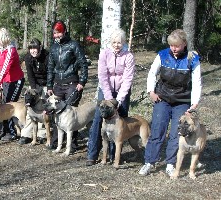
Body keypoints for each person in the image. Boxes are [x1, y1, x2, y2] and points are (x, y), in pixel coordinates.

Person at [138, 29, 202, 176]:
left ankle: (170, 163)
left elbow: (197, 82)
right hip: (163, 97)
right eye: (171, 45)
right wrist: (151, 92)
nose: (173, 48)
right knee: (157, 129)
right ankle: (149, 162)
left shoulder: (192, 59)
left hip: (182, 100)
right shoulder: (162, 55)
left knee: (176, 133)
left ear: (184, 44)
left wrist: (194, 103)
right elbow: (152, 74)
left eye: (177, 46)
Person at [86, 28, 135, 166]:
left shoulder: (129, 56)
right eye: (114, 42)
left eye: (119, 42)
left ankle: (115, 156)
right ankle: (92, 153)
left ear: (123, 42)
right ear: (110, 42)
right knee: (98, 119)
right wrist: (108, 98)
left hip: (122, 90)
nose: (116, 45)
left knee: (120, 119)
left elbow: (128, 79)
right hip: (105, 89)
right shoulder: (104, 53)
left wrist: (119, 100)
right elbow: (102, 76)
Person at [46, 20, 88, 152]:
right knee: (56, 112)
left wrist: (82, 81)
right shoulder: (53, 48)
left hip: (72, 83)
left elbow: (83, 63)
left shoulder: (73, 45)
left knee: (71, 113)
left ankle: (73, 144)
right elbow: (50, 67)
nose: (57, 35)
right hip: (57, 84)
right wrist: (49, 85)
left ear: (64, 32)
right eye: (54, 33)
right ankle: (56, 142)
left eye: (59, 32)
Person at [0, 28, 25, 142]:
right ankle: (5, 130)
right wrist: (0, 84)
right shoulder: (0, 50)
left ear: (3, 39)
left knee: (11, 105)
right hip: (6, 81)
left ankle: (12, 132)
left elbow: (5, 68)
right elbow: (1, 68)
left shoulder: (11, 50)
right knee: (4, 104)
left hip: (16, 81)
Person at [18, 38, 50, 145]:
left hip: (47, 83)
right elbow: (30, 76)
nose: (33, 51)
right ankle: (26, 134)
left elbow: (50, 73)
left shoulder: (47, 56)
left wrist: (47, 88)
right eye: (31, 49)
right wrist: (34, 91)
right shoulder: (28, 58)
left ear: (40, 48)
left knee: (42, 108)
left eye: (35, 48)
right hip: (35, 84)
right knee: (30, 107)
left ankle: (42, 134)